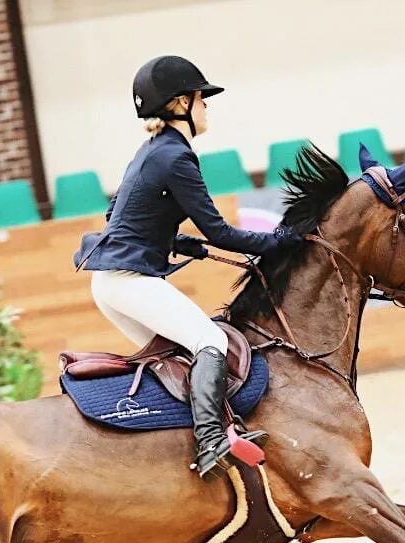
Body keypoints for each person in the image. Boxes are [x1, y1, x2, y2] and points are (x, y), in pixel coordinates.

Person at [74, 55, 301, 478]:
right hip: (129, 281)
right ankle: (212, 441)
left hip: (112, 282)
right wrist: (280, 242)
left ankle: (190, 444)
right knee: (209, 342)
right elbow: (221, 233)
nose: (206, 106)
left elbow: (117, 216)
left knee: (177, 357)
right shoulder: (176, 157)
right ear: (181, 103)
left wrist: (178, 242)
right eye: (202, 99)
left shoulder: (151, 152)